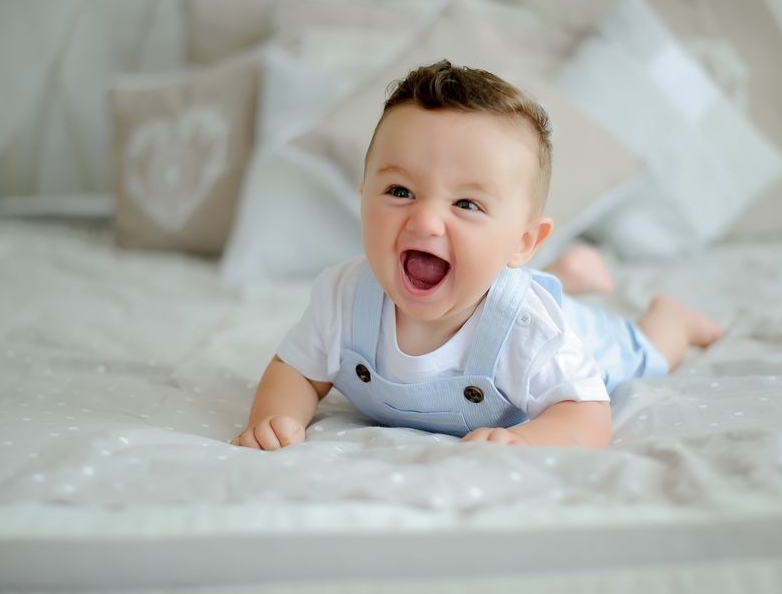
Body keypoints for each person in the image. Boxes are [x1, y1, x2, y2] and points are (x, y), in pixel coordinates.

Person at [231, 60, 723, 450]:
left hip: (572, 335)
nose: (425, 221)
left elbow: (589, 417)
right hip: (502, 289)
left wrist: (527, 440)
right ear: (363, 198)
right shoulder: (341, 296)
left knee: (643, 352)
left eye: (466, 204)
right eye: (400, 191)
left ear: (523, 242)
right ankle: (564, 273)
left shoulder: (534, 331)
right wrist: (278, 416)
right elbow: (296, 371)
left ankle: (672, 318)